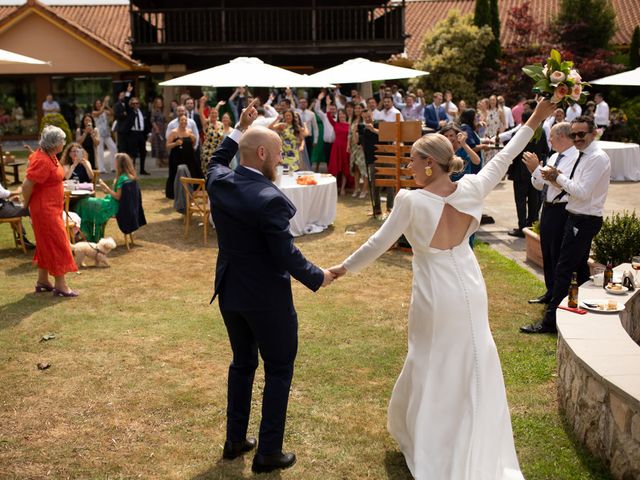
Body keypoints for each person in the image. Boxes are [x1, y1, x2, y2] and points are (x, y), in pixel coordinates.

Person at [329, 99, 557, 479]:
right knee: (471, 360)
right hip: (470, 285)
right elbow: (510, 150)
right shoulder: (472, 187)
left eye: (413, 162)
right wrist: (537, 117)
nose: (408, 168)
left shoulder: (411, 200)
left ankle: (433, 443)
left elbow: (378, 243)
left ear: (429, 165)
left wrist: (339, 270)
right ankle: (469, 434)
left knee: (432, 361)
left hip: (435, 294)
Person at [206, 99, 334, 473]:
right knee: (278, 369)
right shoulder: (269, 199)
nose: (280, 161)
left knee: (242, 364)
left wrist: (238, 129)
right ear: (262, 152)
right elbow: (286, 254)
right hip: (266, 300)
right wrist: (318, 276)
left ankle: (234, 440)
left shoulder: (219, 179)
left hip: (231, 293)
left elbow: (217, 159)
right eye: (277, 154)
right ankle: (267, 452)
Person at [521, 115, 611, 334]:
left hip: (584, 219)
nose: (577, 138)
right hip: (575, 216)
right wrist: (555, 177)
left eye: (582, 134)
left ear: (594, 133)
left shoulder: (596, 157)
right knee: (578, 270)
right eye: (574, 134)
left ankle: (550, 322)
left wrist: (556, 177)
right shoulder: (583, 155)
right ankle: (580, 312)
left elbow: (581, 191)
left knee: (563, 269)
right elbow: (571, 187)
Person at [522, 122, 579, 305]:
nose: (550, 140)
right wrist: (535, 171)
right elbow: (540, 184)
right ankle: (549, 291)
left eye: (552, 136)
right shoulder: (554, 157)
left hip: (562, 210)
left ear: (562, 136)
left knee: (557, 252)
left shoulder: (575, 157)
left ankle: (558, 295)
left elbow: (560, 182)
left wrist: (538, 170)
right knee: (546, 250)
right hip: (546, 207)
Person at [21, 125, 78, 297]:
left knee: (46, 243)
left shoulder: (50, 156)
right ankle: (61, 285)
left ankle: (43, 281)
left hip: (52, 207)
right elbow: (26, 185)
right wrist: (25, 204)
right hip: (44, 210)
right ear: (55, 143)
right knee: (58, 243)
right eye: (62, 140)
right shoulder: (42, 160)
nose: (64, 143)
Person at [505, 111, 549, 238]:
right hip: (535, 170)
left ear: (522, 121)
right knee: (534, 200)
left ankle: (522, 227)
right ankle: (532, 225)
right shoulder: (541, 132)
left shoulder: (518, 133)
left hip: (520, 171)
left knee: (520, 201)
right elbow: (546, 150)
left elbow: (511, 152)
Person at [75, 153, 137, 242]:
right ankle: (85, 234)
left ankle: (85, 235)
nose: (114, 163)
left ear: (120, 164)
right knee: (84, 203)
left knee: (83, 203)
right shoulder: (128, 176)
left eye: (115, 161)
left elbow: (118, 197)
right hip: (113, 202)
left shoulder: (122, 179)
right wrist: (105, 189)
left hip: (112, 206)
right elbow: (118, 195)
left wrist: (106, 188)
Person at [165, 114, 198, 199]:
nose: (184, 122)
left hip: (189, 157)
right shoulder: (174, 132)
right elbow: (167, 145)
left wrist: (193, 139)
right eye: (182, 120)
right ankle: (174, 193)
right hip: (177, 157)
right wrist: (175, 143)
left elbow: (193, 144)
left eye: (185, 120)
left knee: (191, 173)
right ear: (178, 122)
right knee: (175, 174)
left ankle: (190, 193)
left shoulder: (189, 131)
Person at [326, 98, 352, 196]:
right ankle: (335, 188)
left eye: (343, 114)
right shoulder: (335, 124)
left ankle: (343, 188)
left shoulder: (349, 125)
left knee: (345, 168)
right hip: (336, 148)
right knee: (335, 168)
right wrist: (328, 104)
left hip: (345, 148)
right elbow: (328, 116)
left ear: (345, 115)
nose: (341, 115)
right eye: (340, 114)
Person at [0, 181, 35, 248]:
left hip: (3, 207)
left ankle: (21, 236)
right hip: (1, 209)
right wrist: (17, 191)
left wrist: (9, 199)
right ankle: (41, 239)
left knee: (18, 206)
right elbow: (1, 193)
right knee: (31, 209)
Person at [92, 96, 117, 173]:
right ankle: (101, 169)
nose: (99, 105)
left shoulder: (104, 111)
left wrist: (107, 105)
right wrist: (104, 103)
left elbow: (113, 113)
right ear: (95, 105)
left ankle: (113, 167)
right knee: (100, 151)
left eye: (100, 103)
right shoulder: (94, 112)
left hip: (106, 133)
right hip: (99, 133)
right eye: (97, 103)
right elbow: (99, 113)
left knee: (114, 148)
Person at [349, 104, 368, 198]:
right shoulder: (352, 120)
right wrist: (348, 146)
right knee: (355, 168)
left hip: (361, 147)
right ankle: (356, 188)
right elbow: (349, 134)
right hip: (353, 148)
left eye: (359, 108)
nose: (357, 110)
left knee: (363, 169)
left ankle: (365, 189)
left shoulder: (364, 121)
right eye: (355, 108)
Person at [150, 97, 169, 168]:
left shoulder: (162, 111)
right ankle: (158, 161)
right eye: (158, 102)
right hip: (157, 129)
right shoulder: (154, 111)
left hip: (163, 129)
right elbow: (152, 121)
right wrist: (156, 128)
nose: (160, 104)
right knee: (157, 144)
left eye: (160, 102)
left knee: (162, 145)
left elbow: (165, 120)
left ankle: (162, 160)